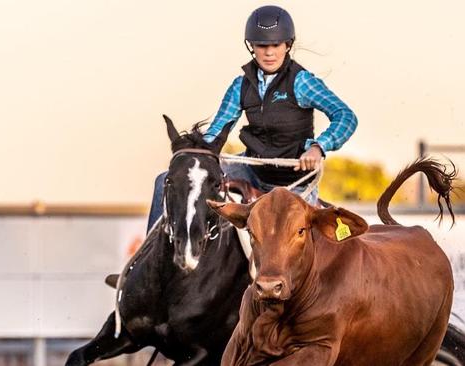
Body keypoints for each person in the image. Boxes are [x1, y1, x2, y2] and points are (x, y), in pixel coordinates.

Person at [147, 5, 357, 230]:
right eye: (262, 45)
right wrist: (197, 156)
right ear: (252, 47)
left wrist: (319, 148)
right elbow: (215, 132)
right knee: (165, 180)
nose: (269, 52)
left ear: (288, 45)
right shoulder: (241, 86)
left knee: (292, 239)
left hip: (294, 183)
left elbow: (346, 116)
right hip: (250, 171)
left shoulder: (302, 82)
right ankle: (152, 253)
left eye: (275, 45)